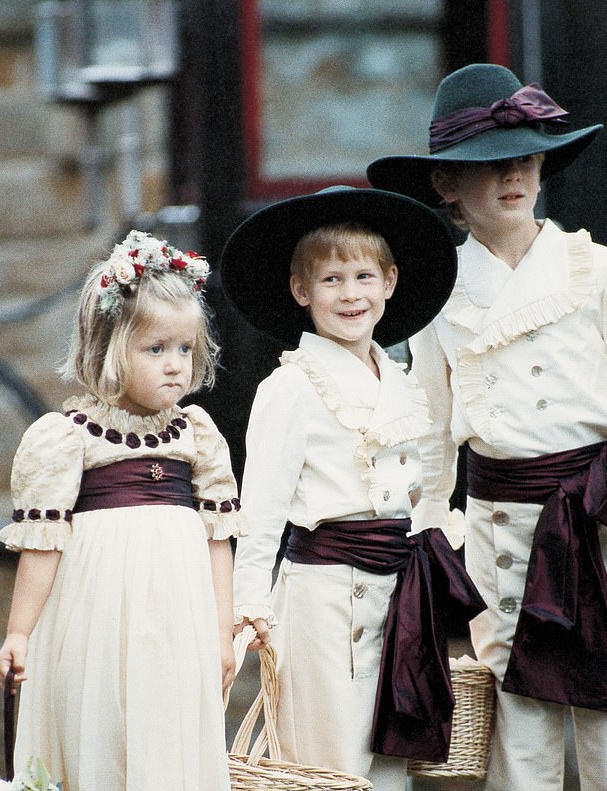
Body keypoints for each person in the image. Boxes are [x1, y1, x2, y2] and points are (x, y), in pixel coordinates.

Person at [367, 63, 607, 791]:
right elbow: (433, 432)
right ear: (447, 187)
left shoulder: (591, 270)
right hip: (503, 528)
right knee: (519, 722)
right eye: (491, 164)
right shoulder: (439, 294)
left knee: (606, 719)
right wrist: (427, 532)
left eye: (526, 158)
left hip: (597, 522)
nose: (514, 176)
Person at [220, 186, 485, 791]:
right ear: (301, 291)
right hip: (324, 601)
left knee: (389, 759)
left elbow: (415, 497)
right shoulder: (291, 387)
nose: (350, 294)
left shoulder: (399, 379)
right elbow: (259, 514)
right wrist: (249, 609)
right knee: (331, 763)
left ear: (389, 282)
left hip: (397, 597)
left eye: (363, 275)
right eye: (331, 279)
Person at [0, 230, 247, 791]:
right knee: (103, 727)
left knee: (168, 732)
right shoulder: (69, 437)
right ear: (109, 348)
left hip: (178, 623)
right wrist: (19, 634)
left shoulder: (198, 434)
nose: (175, 366)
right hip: (96, 618)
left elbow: (218, 540)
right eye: (155, 350)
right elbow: (42, 546)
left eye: (185, 349)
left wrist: (222, 631)